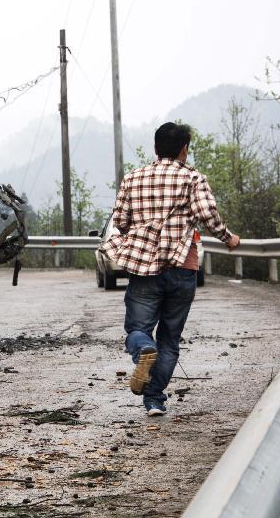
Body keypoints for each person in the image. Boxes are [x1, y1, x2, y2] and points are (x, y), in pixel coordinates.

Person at [101, 122, 240, 417]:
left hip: (143, 268)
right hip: (181, 267)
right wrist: (229, 238)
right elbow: (207, 215)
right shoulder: (193, 178)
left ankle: (142, 352)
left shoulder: (133, 178)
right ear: (184, 150)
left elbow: (121, 222)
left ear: (155, 148)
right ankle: (154, 399)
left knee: (138, 329)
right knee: (169, 339)